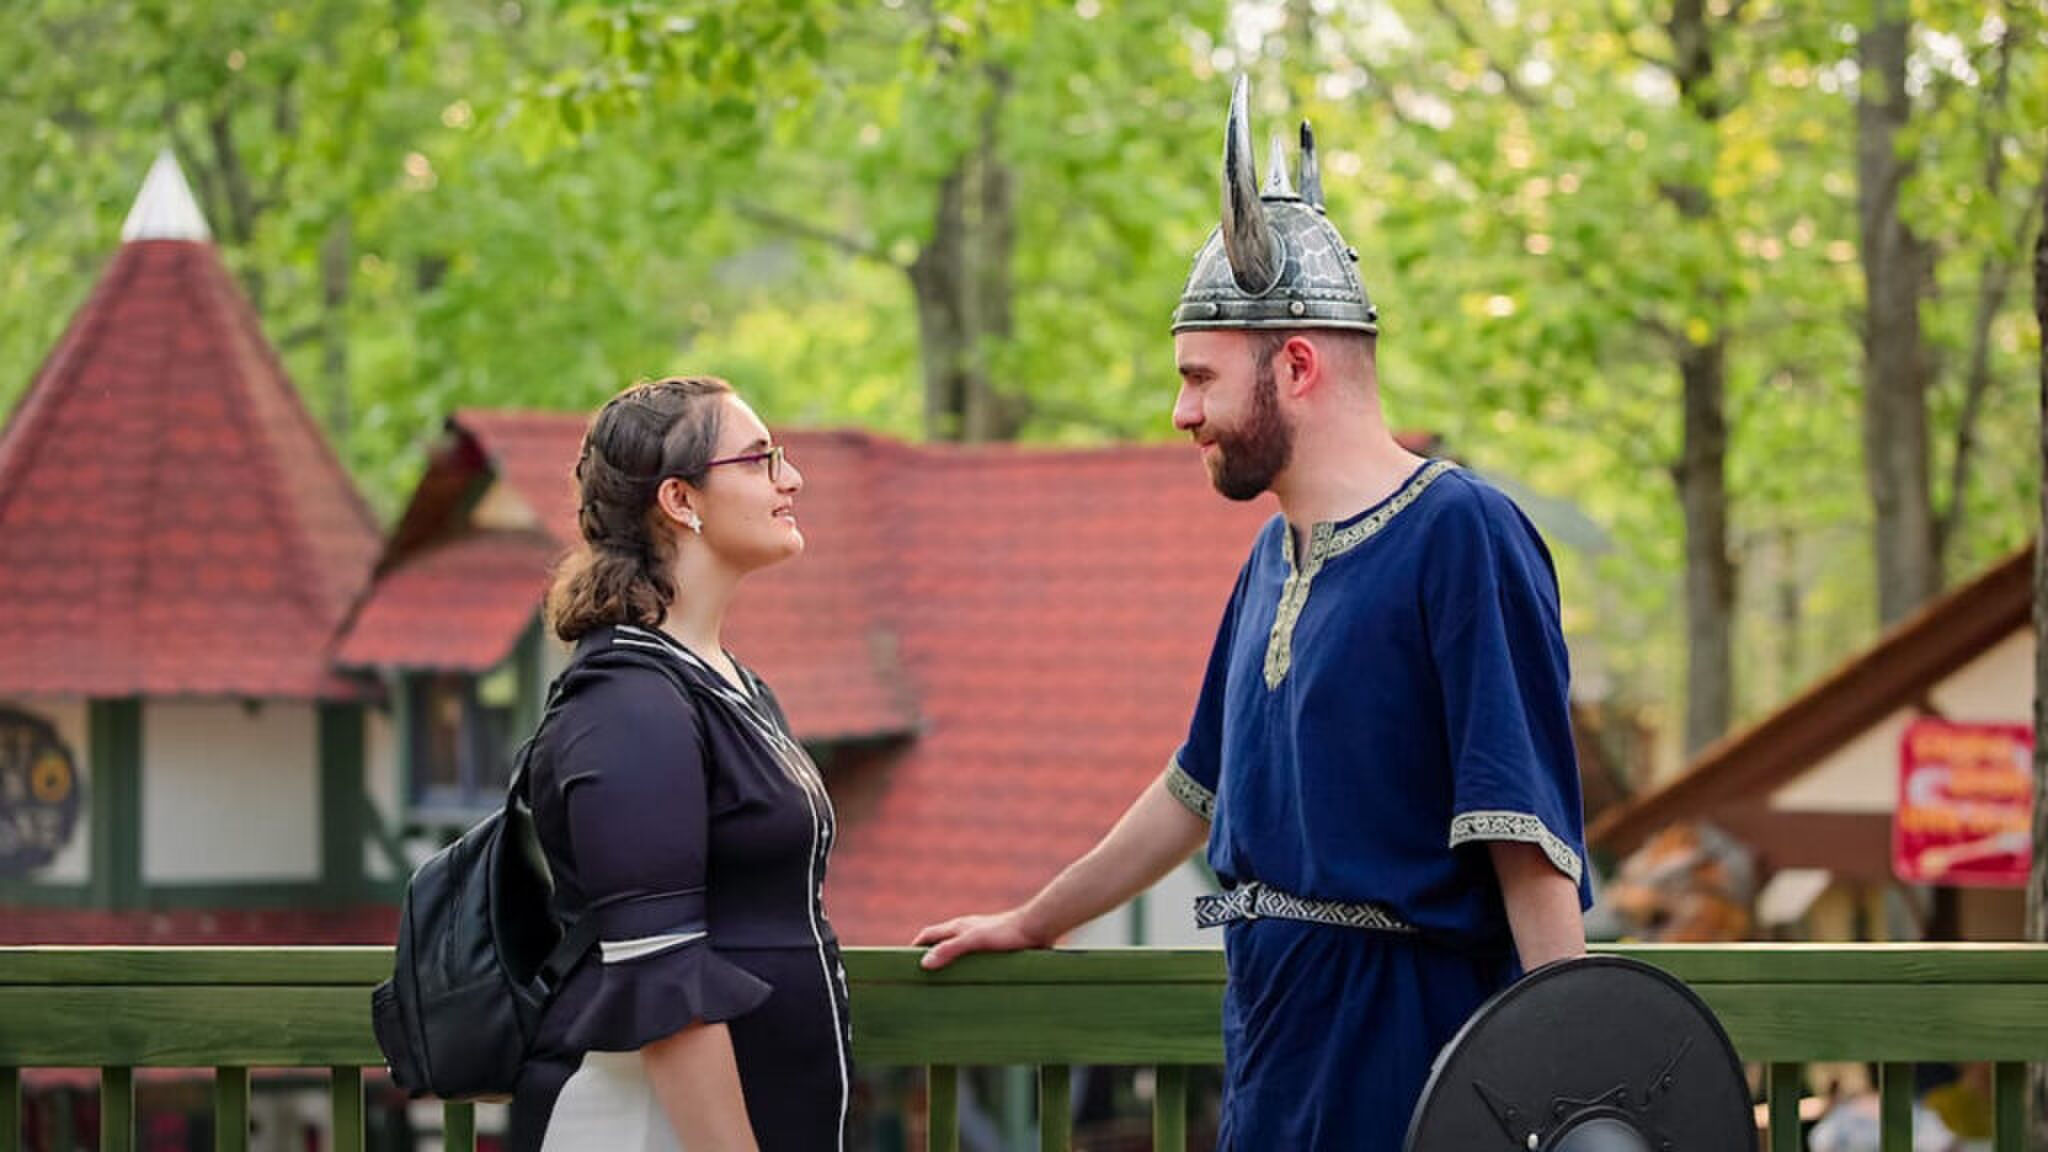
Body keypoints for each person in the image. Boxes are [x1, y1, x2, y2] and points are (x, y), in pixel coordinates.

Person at [913, 78, 1590, 1150]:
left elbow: (1526, 836)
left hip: (1411, 1050)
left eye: (1198, 378)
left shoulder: (1460, 533)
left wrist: (1570, 1096)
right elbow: (1193, 789)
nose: (1181, 413)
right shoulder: (1271, 559)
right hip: (1273, 1042)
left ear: (1297, 364)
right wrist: (1034, 920)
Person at [510, 376, 850, 1152]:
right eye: (762, 459)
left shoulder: (727, 682)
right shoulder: (627, 703)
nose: (789, 478)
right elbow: (660, 979)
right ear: (680, 499)